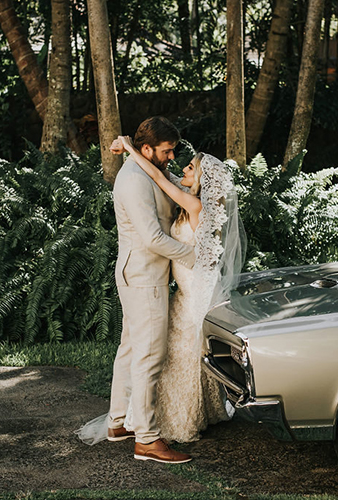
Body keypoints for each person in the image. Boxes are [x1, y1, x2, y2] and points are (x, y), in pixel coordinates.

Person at [75, 116, 196, 464]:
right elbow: (153, 238)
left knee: (130, 350)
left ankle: (118, 422)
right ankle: (147, 438)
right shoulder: (133, 181)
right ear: (147, 149)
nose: (171, 157)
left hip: (140, 275)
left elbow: (177, 187)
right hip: (144, 277)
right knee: (149, 356)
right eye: (167, 151)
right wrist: (195, 256)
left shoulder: (146, 167)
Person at [115, 134, 246, 444]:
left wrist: (132, 150)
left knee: (184, 353)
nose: (182, 169)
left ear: (200, 178)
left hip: (196, 290)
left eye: (189, 168)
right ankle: (185, 411)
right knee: (180, 352)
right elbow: (167, 175)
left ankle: (181, 418)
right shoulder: (194, 201)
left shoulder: (196, 203)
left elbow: (160, 177)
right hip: (187, 289)